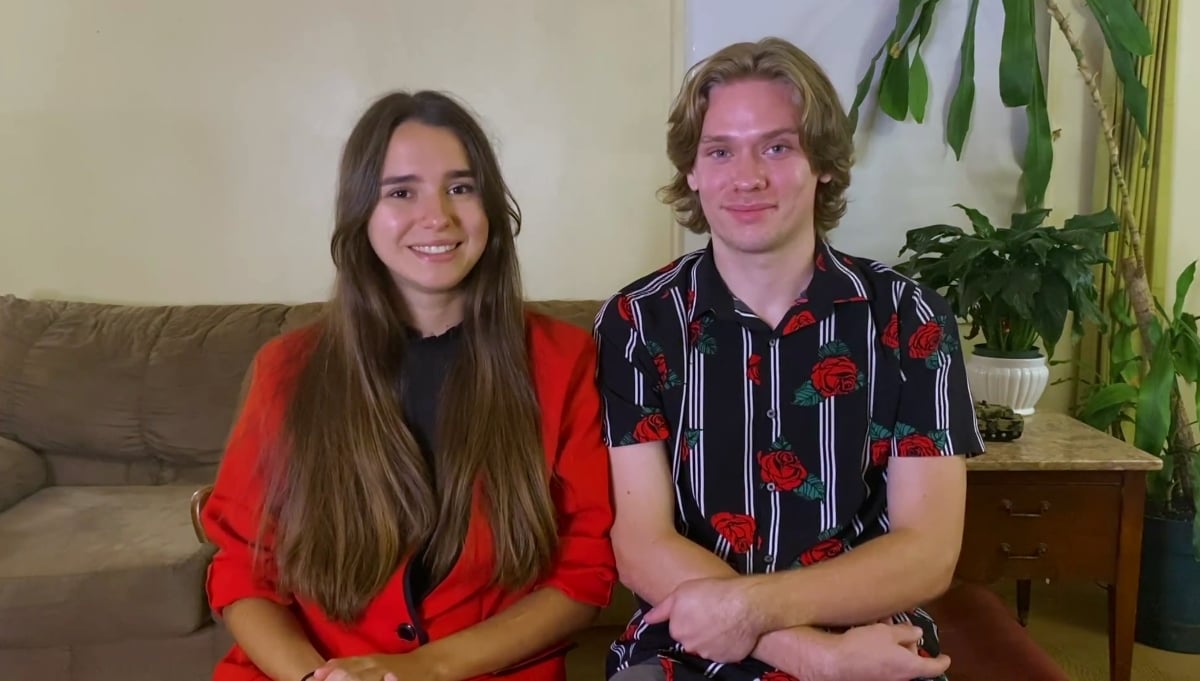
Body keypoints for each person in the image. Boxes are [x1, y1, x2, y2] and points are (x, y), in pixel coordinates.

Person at [593, 37, 986, 681]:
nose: (747, 176)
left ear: (822, 163)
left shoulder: (910, 316)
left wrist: (764, 616)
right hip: (682, 640)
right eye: (720, 151)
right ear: (692, 170)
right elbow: (641, 545)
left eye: (777, 147)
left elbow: (928, 551)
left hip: (866, 637)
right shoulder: (637, 322)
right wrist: (810, 655)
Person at [200, 90, 617, 681]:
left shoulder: (566, 360)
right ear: (361, 212)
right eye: (401, 191)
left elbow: (584, 573)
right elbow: (244, 566)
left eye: (461, 187)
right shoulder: (285, 368)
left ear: (491, 208)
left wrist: (424, 669)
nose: (437, 216)